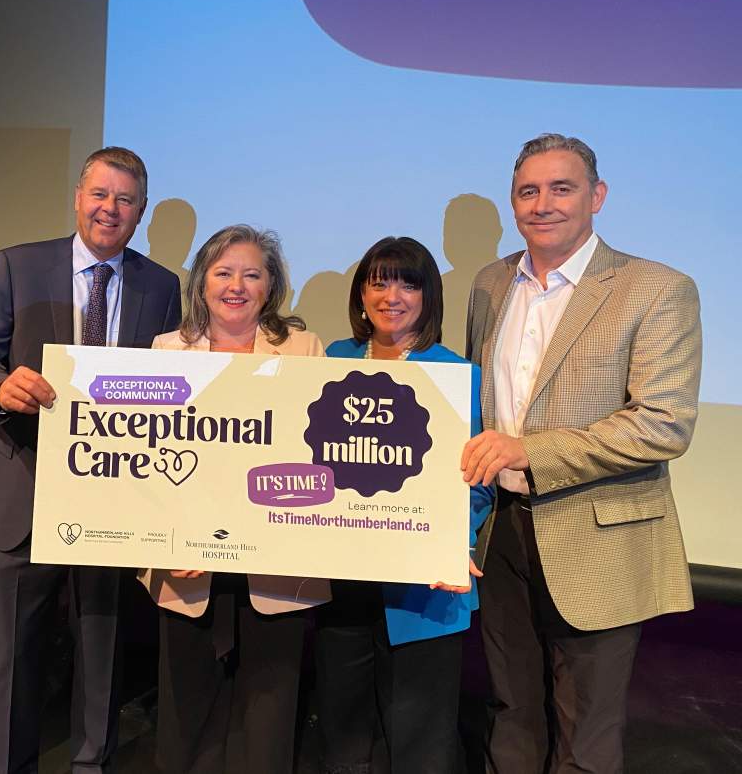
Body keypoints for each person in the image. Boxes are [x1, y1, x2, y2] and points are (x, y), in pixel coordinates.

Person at [461, 133, 701, 774]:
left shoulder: (655, 288)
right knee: (511, 711)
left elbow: (663, 425)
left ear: (597, 196)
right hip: (503, 532)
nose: (543, 204)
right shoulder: (489, 284)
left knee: (586, 732)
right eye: (527, 190)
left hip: (600, 535)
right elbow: (478, 408)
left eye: (561, 188)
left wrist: (529, 450)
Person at [0, 147, 181, 774]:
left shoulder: (162, 287)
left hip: (112, 497)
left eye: (126, 200)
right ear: (78, 196)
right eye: (100, 195)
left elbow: (176, 386)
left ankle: (91, 766)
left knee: (102, 651)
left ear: (141, 212)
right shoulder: (17, 265)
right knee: (16, 654)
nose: (110, 209)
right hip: (22, 486)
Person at [140, 224, 332, 774]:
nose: (237, 286)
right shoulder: (166, 349)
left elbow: (317, 455)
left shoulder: (304, 348)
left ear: (270, 286)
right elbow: (143, 463)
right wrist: (162, 542)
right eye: (224, 273)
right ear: (202, 283)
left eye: (252, 274)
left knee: (268, 718)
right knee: (187, 715)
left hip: (276, 567)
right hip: (185, 561)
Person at [314, 236, 493, 774]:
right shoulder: (333, 359)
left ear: (428, 295)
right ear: (361, 293)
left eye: (408, 283)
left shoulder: (456, 373)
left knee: (420, 738)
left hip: (426, 588)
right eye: (379, 281)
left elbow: (478, 481)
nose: (392, 295)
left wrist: (452, 541)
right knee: (343, 730)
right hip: (343, 577)